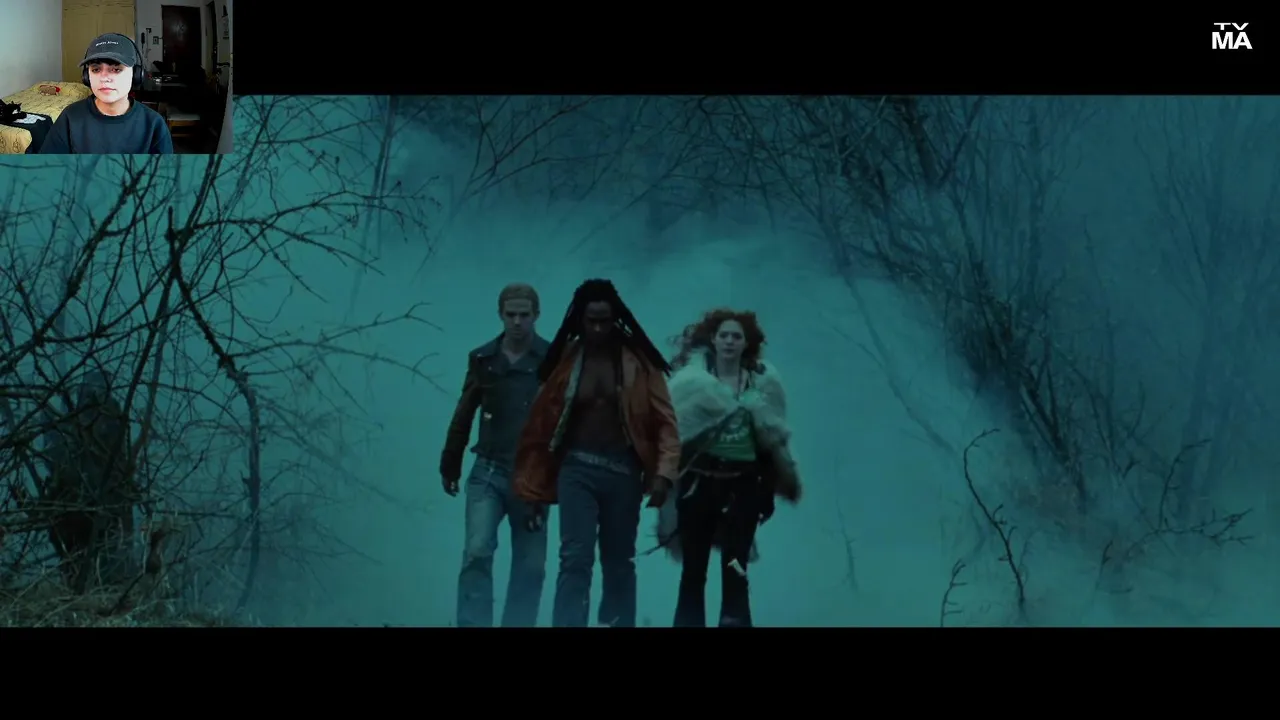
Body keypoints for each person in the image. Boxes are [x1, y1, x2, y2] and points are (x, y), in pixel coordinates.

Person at [513, 279, 680, 627]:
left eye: (606, 321)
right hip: (577, 469)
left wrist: (664, 474)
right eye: (593, 321)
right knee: (575, 559)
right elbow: (541, 424)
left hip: (623, 472)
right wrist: (532, 487)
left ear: (615, 318)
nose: (600, 328)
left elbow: (665, 422)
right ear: (581, 319)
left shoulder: (639, 360)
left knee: (619, 562)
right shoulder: (566, 359)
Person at [655, 308, 802, 627]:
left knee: (736, 567)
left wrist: (768, 490)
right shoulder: (690, 384)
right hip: (699, 487)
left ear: (747, 342)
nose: (730, 341)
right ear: (713, 339)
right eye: (724, 335)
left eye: (737, 336)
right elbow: (672, 438)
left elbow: (772, 442)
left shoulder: (764, 384)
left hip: (743, 487)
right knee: (693, 571)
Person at [439, 283, 549, 627]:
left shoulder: (552, 360)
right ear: (501, 314)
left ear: (536, 315)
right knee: (477, 551)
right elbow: (464, 411)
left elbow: (564, 418)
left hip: (531, 476)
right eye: (510, 314)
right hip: (488, 469)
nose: (517, 322)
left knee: (531, 566)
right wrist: (451, 462)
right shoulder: (484, 358)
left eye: (524, 315)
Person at [37, 33, 173, 154]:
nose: (104, 78)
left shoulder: (154, 124)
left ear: (136, 75)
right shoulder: (70, 117)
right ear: (86, 76)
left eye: (116, 69)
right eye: (96, 70)